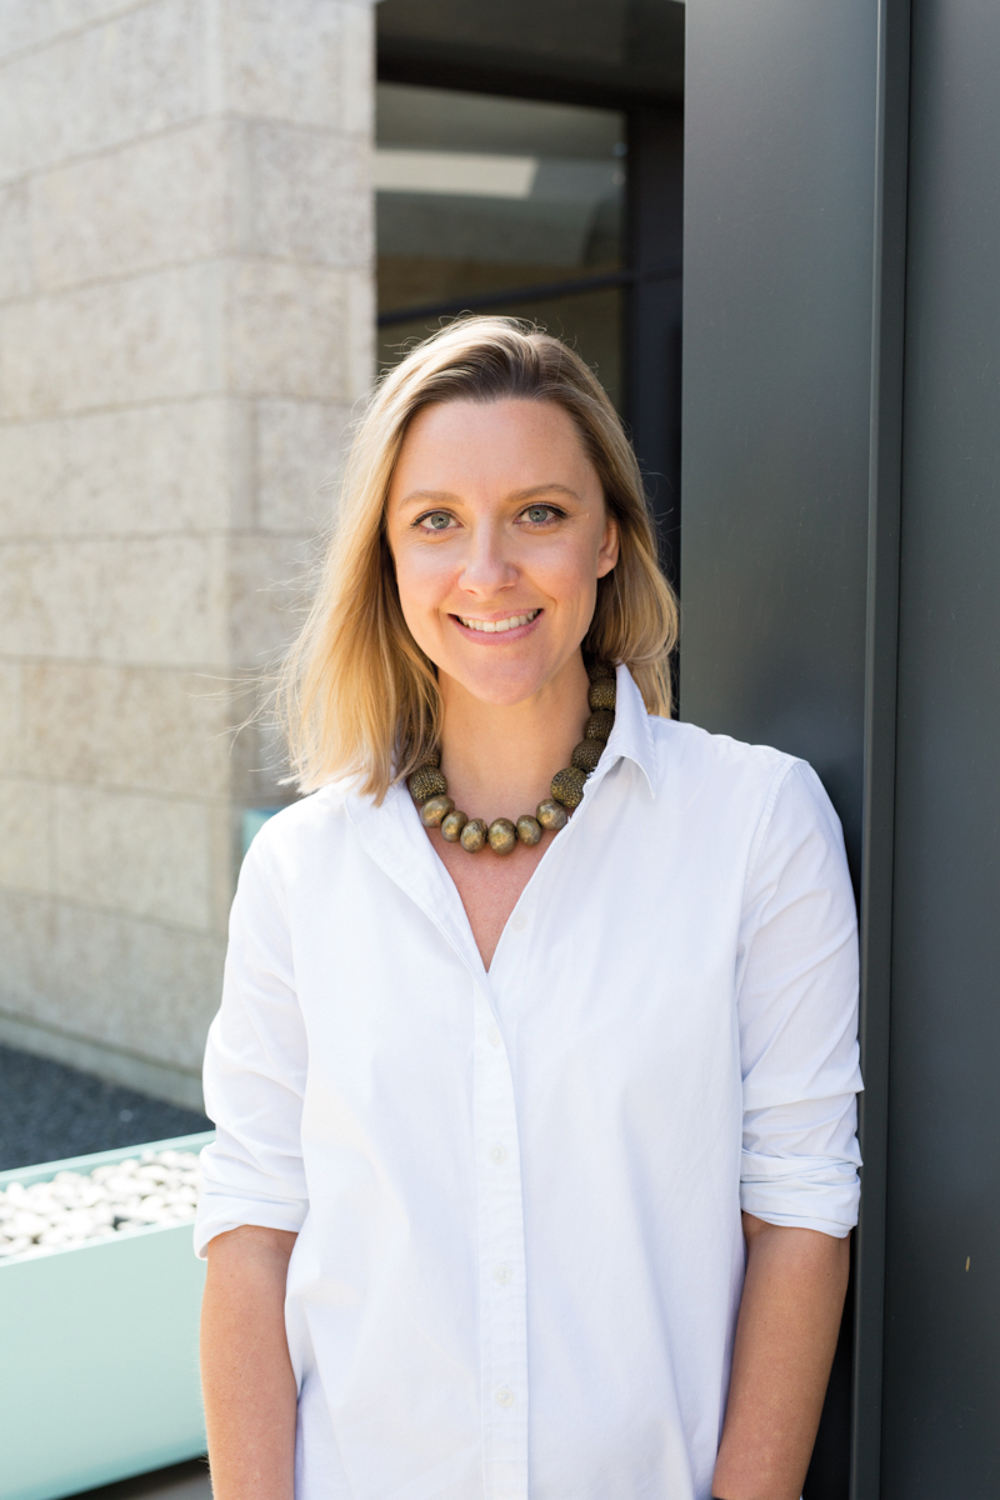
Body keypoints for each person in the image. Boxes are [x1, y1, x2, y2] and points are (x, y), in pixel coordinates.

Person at [195, 317, 862, 1500]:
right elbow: (252, 1235)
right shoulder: (302, 869)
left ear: (608, 537)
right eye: (436, 522)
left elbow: (799, 1214)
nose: (486, 571)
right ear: (387, 559)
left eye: (539, 514)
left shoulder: (755, 825)